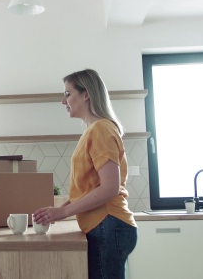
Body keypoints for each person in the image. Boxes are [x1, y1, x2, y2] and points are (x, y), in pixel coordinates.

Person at [33, 69, 137, 279]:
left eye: (68, 94)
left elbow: (109, 188)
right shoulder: (93, 130)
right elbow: (93, 186)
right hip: (106, 225)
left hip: (108, 222)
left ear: (86, 94)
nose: (63, 101)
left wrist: (64, 212)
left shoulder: (101, 130)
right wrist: (62, 208)